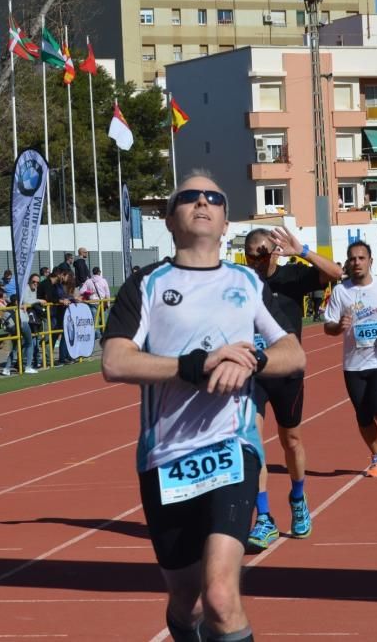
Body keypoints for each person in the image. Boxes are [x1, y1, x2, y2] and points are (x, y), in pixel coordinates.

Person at [101, 172, 305, 642]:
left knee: (220, 597)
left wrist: (252, 360)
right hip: (165, 457)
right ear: (171, 221)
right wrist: (195, 365)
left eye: (213, 197)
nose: (202, 202)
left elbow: (294, 353)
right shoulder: (146, 285)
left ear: (226, 220)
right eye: (188, 197)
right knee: (188, 604)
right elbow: (115, 361)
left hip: (232, 448)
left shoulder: (247, 283)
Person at [243, 227, 342, 550]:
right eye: (249, 254)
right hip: (254, 374)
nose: (255, 260)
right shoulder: (241, 285)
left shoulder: (293, 277)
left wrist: (302, 250)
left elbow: (335, 273)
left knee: (291, 440)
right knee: (253, 442)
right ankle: (264, 518)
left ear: (273, 252)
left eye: (260, 253)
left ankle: (298, 499)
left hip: (287, 374)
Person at [324, 241, 377, 478]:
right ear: (348, 262)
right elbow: (327, 326)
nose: (357, 263)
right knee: (362, 415)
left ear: (370, 261)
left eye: (361, 258)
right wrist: (338, 327)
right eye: (352, 259)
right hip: (353, 364)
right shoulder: (341, 292)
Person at [4, 274, 39, 375]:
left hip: (20, 321)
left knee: (16, 347)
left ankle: (6, 369)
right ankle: (28, 366)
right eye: (34, 282)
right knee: (29, 343)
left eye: (37, 282)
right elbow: (26, 301)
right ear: (29, 281)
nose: (35, 284)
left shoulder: (33, 290)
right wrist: (38, 301)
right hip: (22, 320)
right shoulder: (25, 289)